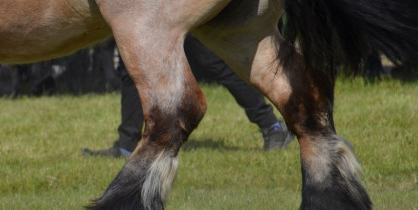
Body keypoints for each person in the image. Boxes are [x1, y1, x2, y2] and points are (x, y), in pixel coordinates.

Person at [83, 36, 292, 158]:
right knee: (132, 67)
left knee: (212, 61)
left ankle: (272, 127)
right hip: (148, 0)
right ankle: (126, 145)